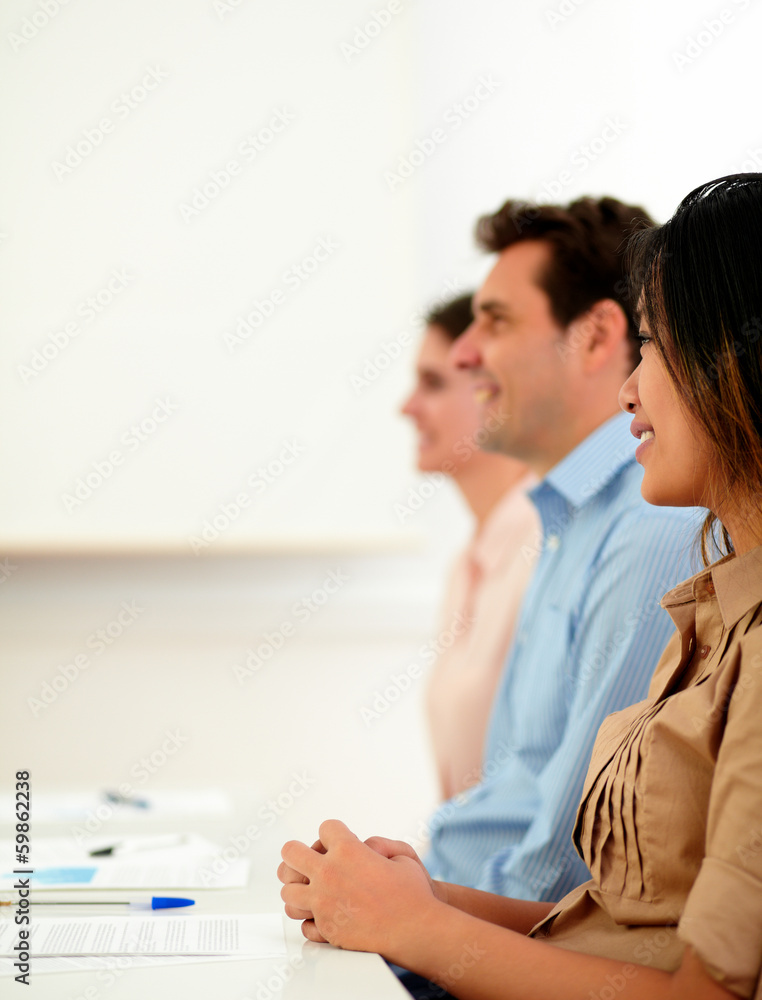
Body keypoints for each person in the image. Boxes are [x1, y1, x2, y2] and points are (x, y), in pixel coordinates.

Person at [279, 173, 762, 999]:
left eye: (654, 346)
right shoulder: (715, 607)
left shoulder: (663, 550)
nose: (629, 392)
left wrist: (416, 925)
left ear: (737, 360)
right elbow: (611, 916)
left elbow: (702, 991)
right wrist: (417, 900)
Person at [415, 195, 697, 903]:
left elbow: (569, 860)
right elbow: (521, 785)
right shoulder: (567, 516)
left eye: (496, 321)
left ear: (597, 337)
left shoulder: (647, 523)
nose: (464, 353)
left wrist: (421, 918)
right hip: (470, 917)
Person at [401, 293, 539, 801]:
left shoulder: (545, 544)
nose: (406, 407)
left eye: (433, 383)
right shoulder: (467, 565)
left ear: (491, 387)